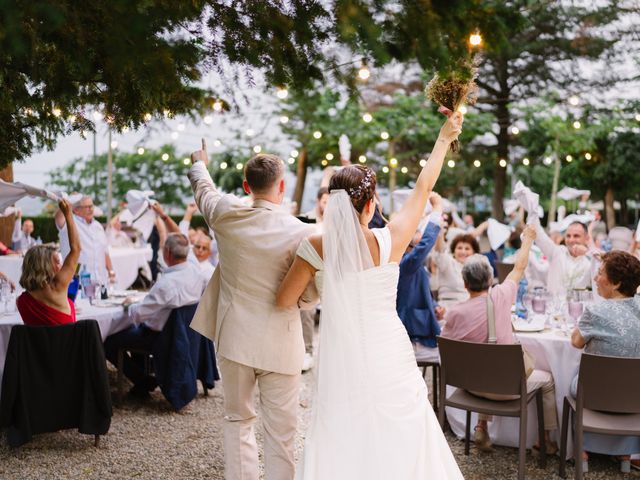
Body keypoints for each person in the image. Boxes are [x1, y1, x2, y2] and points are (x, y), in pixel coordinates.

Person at [277, 113, 464, 478]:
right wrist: (443, 138)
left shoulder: (316, 244)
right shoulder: (390, 239)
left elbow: (285, 301)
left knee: (343, 427)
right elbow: (424, 188)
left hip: (341, 351)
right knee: (402, 427)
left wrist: (319, 292)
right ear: (369, 204)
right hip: (389, 349)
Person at [188, 141, 317, 480]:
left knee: (238, 421)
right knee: (282, 433)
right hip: (282, 342)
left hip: (236, 340)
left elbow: (203, 189)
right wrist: (302, 301)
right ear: (283, 186)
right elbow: (313, 289)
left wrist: (199, 162)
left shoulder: (225, 215)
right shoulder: (303, 231)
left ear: (247, 187)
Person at [441, 225, 558, 454]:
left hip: (471, 386)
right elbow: (520, 266)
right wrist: (528, 240)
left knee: (486, 362)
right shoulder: (501, 296)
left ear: (465, 284)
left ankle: (481, 426)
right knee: (548, 380)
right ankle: (545, 440)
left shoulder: (454, 312)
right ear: (491, 279)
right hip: (507, 389)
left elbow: (446, 348)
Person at [103, 233, 207, 397]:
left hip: (163, 337)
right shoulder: (197, 273)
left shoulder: (167, 284)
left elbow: (138, 315)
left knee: (108, 341)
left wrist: (127, 304)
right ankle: (143, 379)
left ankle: (142, 380)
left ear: (167, 253)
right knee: (136, 331)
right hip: (189, 333)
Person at [570, 250, 640, 473]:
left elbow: (576, 342)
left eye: (600, 273)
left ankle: (580, 450)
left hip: (594, 394)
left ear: (617, 283)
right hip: (635, 395)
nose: (595, 278)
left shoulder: (595, 310)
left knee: (569, 375)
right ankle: (624, 453)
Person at [17, 200, 80, 327]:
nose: (61, 266)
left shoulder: (20, 301)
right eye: (57, 262)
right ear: (44, 266)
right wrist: (68, 214)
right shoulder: (59, 286)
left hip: (37, 347)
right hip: (67, 346)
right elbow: (76, 249)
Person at [397, 192, 443, 358]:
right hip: (412, 337)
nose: (421, 232)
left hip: (420, 327)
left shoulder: (410, 261)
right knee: (456, 353)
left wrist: (434, 304)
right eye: (417, 229)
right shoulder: (404, 262)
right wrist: (437, 209)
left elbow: (419, 290)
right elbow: (424, 245)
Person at [55, 195, 115, 285]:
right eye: (87, 207)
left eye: (92, 206)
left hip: (101, 282)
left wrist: (111, 272)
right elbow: (59, 218)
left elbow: (104, 252)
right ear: (76, 210)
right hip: (78, 283)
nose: (91, 209)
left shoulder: (98, 226)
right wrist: (68, 200)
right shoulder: (69, 223)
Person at [533, 219, 593, 296]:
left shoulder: (590, 262)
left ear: (586, 238)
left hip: (578, 307)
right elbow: (538, 233)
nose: (571, 240)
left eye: (576, 236)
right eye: (568, 236)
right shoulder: (556, 252)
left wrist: (588, 253)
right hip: (552, 306)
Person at [432, 231, 480, 308]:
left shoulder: (476, 269)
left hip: (471, 308)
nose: (463, 252)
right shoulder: (448, 263)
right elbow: (439, 252)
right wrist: (440, 232)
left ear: (474, 252)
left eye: (467, 248)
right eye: (459, 248)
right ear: (454, 251)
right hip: (449, 308)